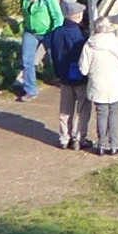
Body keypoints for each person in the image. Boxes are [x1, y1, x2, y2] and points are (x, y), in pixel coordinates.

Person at [79, 18, 118, 155]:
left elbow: (83, 69)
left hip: (98, 85)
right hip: (116, 84)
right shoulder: (116, 43)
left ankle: (102, 145)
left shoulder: (89, 45)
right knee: (114, 113)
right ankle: (114, 145)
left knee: (101, 114)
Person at [44, 11, 88, 150]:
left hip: (63, 77)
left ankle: (64, 138)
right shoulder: (80, 35)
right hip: (80, 77)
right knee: (82, 110)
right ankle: (78, 138)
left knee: (65, 110)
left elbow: (51, 49)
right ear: (78, 16)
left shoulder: (57, 32)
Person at [14, 0, 59, 99]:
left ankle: (65, 81)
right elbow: (24, 10)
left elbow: (56, 13)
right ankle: (30, 90)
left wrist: (57, 30)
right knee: (27, 60)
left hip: (47, 31)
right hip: (30, 31)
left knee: (55, 56)